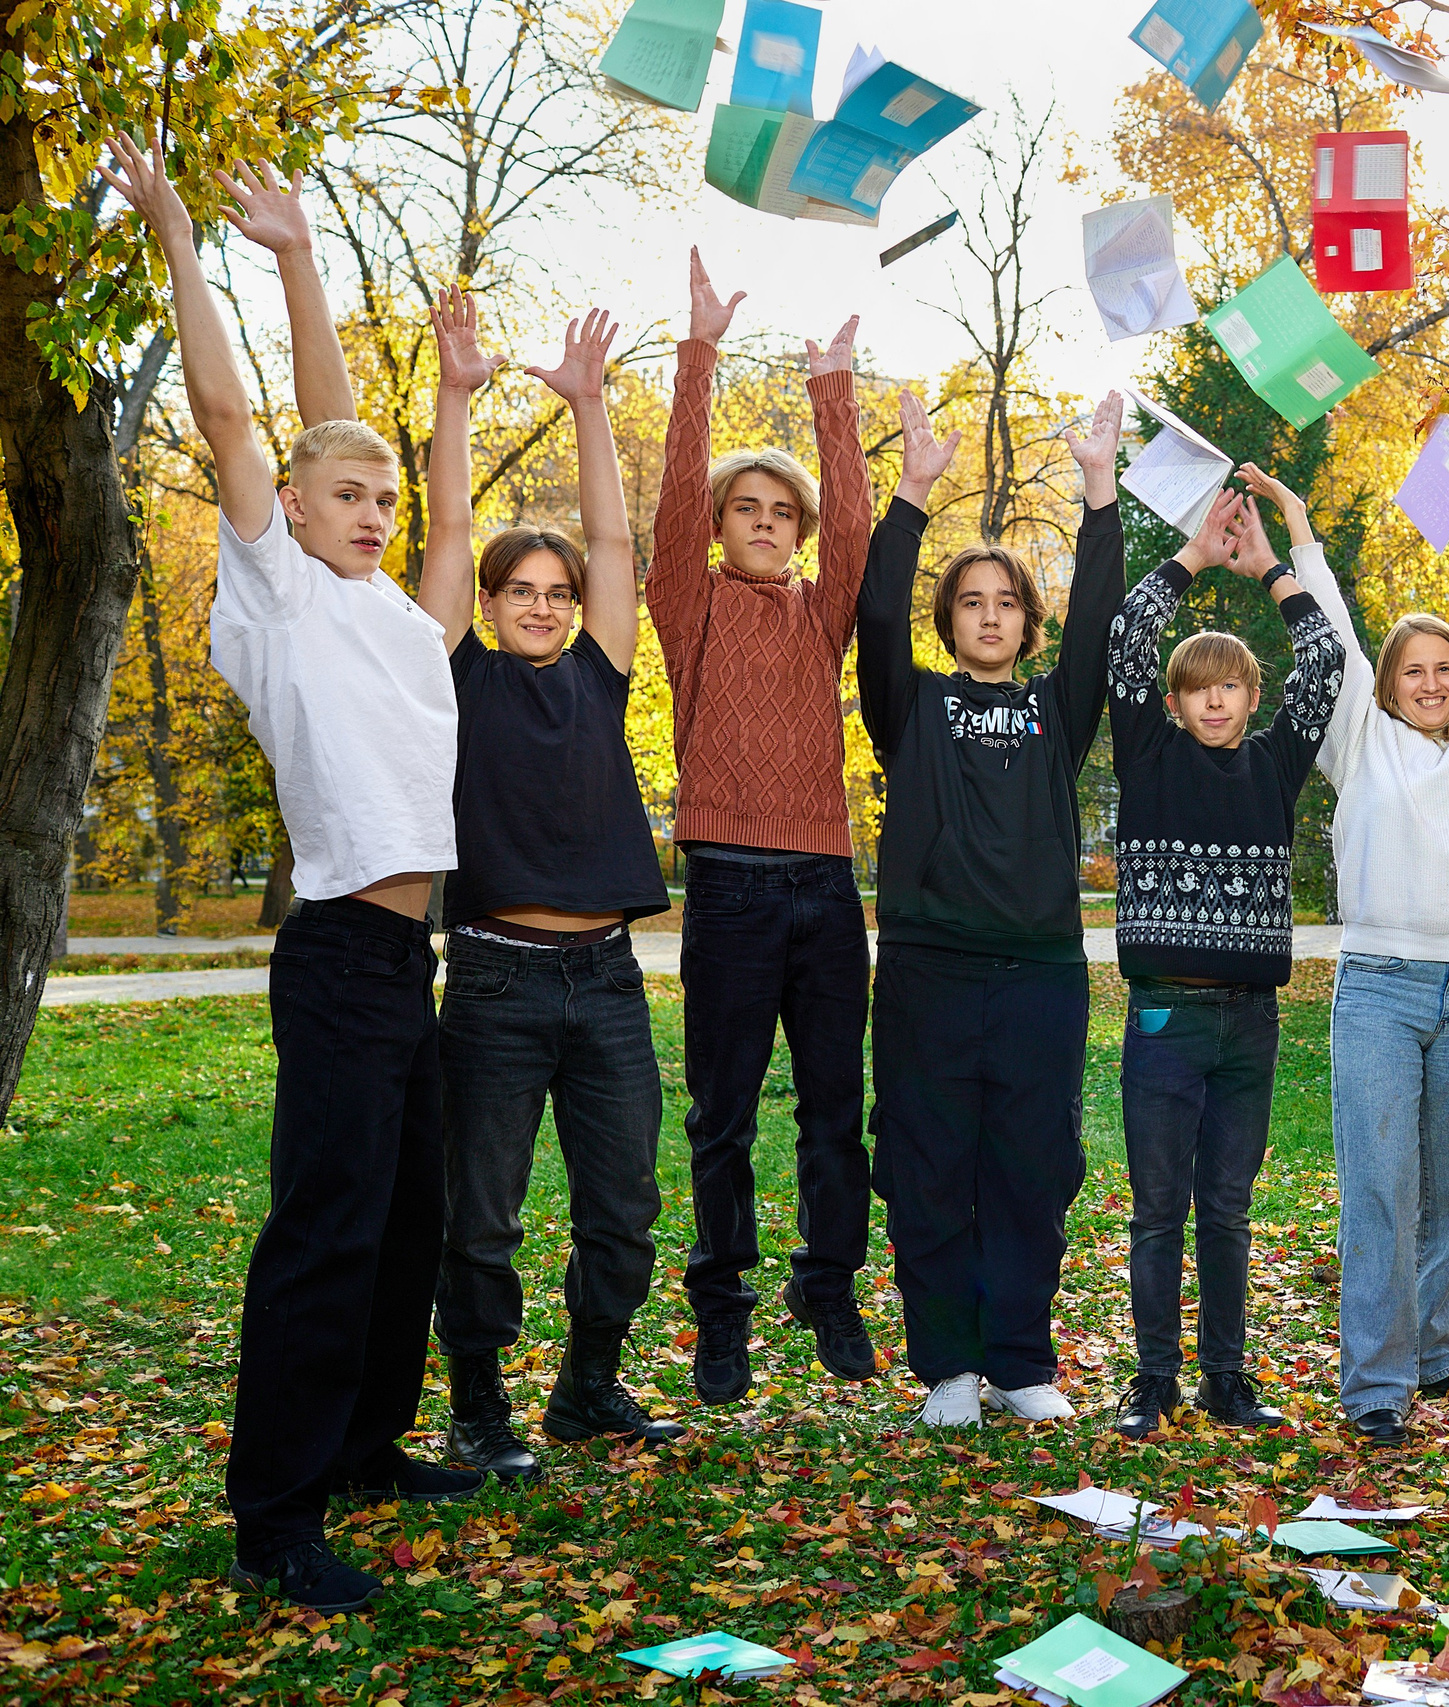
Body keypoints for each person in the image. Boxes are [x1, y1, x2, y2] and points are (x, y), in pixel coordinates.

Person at [104, 137, 476, 1615]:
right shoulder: (274, 602)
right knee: (326, 1228)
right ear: (290, 516)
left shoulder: (403, 616)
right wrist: (195, 246)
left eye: (381, 494)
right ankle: (277, 1512)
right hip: (334, 957)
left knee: (408, 1219)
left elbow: (423, 499)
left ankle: (371, 1444)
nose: (373, 507)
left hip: (410, 964)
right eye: (346, 494)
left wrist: (317, 268)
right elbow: (238, 412)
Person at [418, 293, 684, 1483]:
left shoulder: (602, 675)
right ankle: (478, 1407)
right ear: (487, 602)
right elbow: (443, 527)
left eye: (557, 592)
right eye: (520, 589)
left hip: (607, 983)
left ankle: (586, 1388)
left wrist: (589, 405)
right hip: (492, 982)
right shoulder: (456, 674)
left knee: (623, 1207)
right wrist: (458, 397)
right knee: (480, 1216)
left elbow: (618, 546)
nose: (542, 605)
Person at [859, 392, 1129, 1429]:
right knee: (927, 1167)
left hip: (1040, 977)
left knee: (1031, 1167)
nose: (987, 615)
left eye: (1004, 602)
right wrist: (913, 495)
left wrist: (1099, 491)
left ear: (1025, 620)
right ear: (951, 618)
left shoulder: (1053, 712)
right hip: (929, 970)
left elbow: (1101, 623)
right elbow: (876, 616)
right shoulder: (913, 707)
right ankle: (948, 1371)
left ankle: (1019, 1362)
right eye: (970, 601)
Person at [647, 252, 875, 1405]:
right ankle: (721, 1310)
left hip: (828, 892)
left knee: (839, 1108)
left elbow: (862, 541)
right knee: (722, 1117)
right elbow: (678, 490)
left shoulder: (821, 613)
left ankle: (826, 1285)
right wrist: (699, 352)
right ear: (721, 524)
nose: (768, 524)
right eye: (750, 508)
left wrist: (832, 385)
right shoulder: (685, 609)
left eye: (786, 513)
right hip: (730, 888)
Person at [1275, 465, 1449, 1447]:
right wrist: (1301, 528)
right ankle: (1376, 1386)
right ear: (1386, 684)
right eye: (1411, 669)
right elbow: (1333, 636)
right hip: (1380, 992)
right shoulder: (1361, 742)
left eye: (1445, 668)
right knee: (1383, 1188)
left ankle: (1435, 1353)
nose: (1431, 682)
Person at [1105, 488, 1346, 1438]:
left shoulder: (1277, 762)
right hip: (1163, 1015)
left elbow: (1322, 659)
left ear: (1251, 696)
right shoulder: (1147, 752)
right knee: (1159, 1209)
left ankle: (1226, 1380)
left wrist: (1271, 571)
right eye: (1198, 685)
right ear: (1175, 701)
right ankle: (1153, 1381)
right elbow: (1128, 634)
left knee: (1228, 1211)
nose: (1215, 697)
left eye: (1232, 684)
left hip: (1248, 1020)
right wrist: (1195, 556)